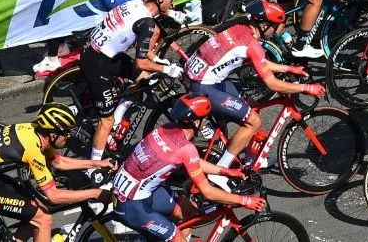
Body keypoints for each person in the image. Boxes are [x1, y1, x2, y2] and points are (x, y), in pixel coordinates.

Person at [184, 0, 326, 169]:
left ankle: (250, 160)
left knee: (251, 105)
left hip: (200, 79)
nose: (277, 30)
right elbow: (272, 84)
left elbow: (260, 62)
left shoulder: (239, 28)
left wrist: (289, 68)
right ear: (264, 25)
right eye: (276, 26)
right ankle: (221, 170)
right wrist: (307, 87)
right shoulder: (252, 45)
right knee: (253, 121)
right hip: (205, 87)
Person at [111, 95, 264, 240]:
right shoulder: (186, 148)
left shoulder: (166, 129)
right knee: (177, 237)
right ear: (196, 122)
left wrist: (226, 171)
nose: (206, 121)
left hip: (138, 192)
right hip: (132, 206)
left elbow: (192, 160)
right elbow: (207, 192)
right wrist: (244, 200)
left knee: (190, 211)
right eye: (205, 118)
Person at [0, 106, 111, 242]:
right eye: (66, 132)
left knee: (37, 208)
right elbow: (54, 196)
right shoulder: (33, 148)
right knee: (43, 219)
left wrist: (97, 163)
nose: (69, 136)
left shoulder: (35, 131)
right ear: (53, 134)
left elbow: (57, 162)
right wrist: (95, 193)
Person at [80, 0, 182, 159]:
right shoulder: (147, 23)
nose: (172, 3)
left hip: (101, 51)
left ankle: (118, 117)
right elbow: (140, 62)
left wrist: (158, 60)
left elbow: (143, 51)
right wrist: (167, 70)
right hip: (97, 62)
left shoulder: (135, 4)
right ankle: (94, 167)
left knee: (144, 78)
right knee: (106, 121)